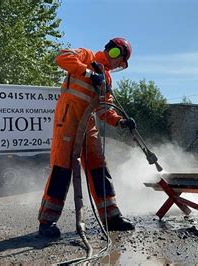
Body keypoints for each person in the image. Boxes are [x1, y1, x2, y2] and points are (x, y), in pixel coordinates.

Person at [38, 37, 136, 237]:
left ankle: (111, 216)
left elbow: (104, 109)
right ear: (114, 51)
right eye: (120, 59)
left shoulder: (107, 78)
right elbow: (61, 57)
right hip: (67, 118)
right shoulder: (86, 55)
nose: (118, 64)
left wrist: (120, 122)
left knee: (99, 166)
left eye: (122, 64)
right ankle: (47, 222)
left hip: (88, 121)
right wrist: (89, 73)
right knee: (62, 168)